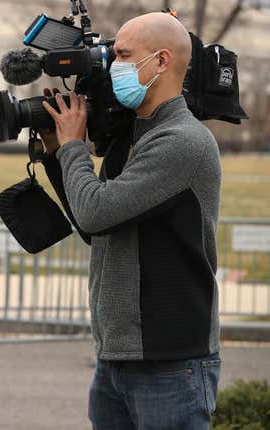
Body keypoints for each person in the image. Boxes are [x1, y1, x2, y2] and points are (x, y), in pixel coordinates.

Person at [40, 12, 221, 429]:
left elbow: (95, 210)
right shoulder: (132, 138)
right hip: (118, 358)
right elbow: (94, 226)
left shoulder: (183, 141)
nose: (111, 66)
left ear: (160, 61)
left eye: (121, 55)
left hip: (170, 364)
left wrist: (73, 148)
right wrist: (57, 153)